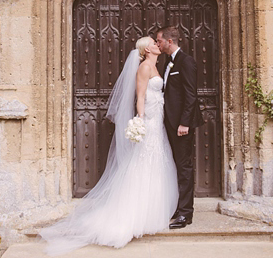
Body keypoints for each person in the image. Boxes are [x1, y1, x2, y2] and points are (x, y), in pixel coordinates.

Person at [39, 37, 178, 255]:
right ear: (145, 49)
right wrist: (140, 120)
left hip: (157, 120)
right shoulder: (144, 67)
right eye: (153, 43)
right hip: (149, 121)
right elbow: (140, 96)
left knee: (156, 162)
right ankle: (132, 216)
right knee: (143, 163)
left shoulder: (155, 66)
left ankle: (150, 212)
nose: (156, 45)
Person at [156, 26, 203, 229]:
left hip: (181, 125)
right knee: (175, 165)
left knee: (184, 167)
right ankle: (179, 207)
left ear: (169, 41)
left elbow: (191, 95)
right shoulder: (168, 61)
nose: (157, 44)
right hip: (170, 122)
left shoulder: (186, 61)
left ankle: (186, 213)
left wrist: (184, 122)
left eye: (159, 41)